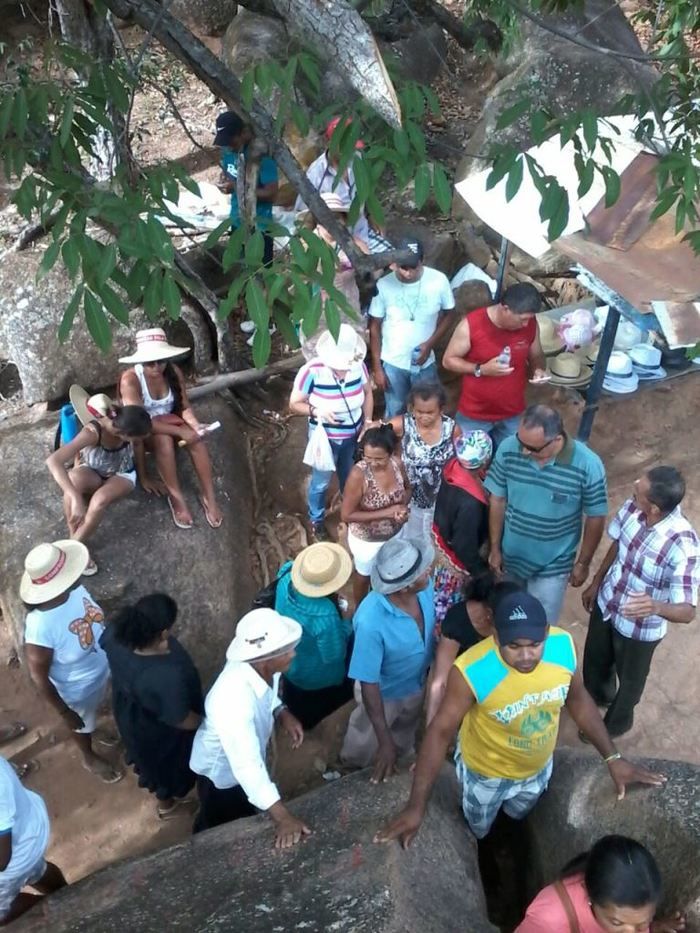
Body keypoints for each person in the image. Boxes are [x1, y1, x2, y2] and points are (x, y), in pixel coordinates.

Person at [376, 591, 666, 847]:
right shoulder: (471, 671)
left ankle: (508, 839)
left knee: (518, 814)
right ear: (496, 636)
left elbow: (578, 701)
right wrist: (416, 806)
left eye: (535, 644)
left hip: (537, 768)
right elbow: (439, 732)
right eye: (514, 646)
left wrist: (612, 758)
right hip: (485, 774)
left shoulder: (563, 646)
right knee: (479, 827)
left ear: (547, 632)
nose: (526, 656)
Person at [581, 466, 699, 738]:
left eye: (638, 493)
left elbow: (687, 612)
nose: (632, 491)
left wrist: (656, 607)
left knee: (631, 683)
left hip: (639, 629)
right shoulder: (634, 509)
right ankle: (599, 696)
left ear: (655, 508)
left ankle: (615, 724)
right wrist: (597, 582)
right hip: (608, 602)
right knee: (595, 659)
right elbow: (619, 544)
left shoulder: (684, 546)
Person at [190, 609, 311, 847]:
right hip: (223, 776)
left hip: (239, 765)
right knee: (220, 822)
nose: (293, 654)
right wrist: (284, 818)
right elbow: (247, 767)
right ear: (266, 658)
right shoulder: (232, 700)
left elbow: (268, 693)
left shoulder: (262, 667)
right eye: (286, 650)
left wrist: (281, 711)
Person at [486, 404, 608, 624]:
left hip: (553, 565)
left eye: (532, 448)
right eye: (520, 442)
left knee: (539, 626)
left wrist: (583, 563)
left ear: (557, 440)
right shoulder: (508, 448)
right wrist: (495, 548)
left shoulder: (588, 465)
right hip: (511, 558)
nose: (523, 451)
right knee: (507, 620)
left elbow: (596, 517)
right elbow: (498, 499)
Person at [21, 540, 123, 784]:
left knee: (90, 713)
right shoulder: (40, 627)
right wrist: (64, 711)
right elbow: (39, 676)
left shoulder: (74, 589)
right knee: (80, 722)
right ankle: (88, 756)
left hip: (100, 668)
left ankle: (91, 727)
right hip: (75, 689)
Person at [99, 594, 204, 820]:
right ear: (164, 632)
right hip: (159, 733)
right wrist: (205, 724)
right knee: (165, 769)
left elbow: (104, 644)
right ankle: (168, 806)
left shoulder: (116, 633)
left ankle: (166, 801)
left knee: (147, 762)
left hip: (130, 714)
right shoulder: (165, 676)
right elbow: (181, 718)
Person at [340, 538, 435, 783]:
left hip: (416, 684)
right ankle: (352, 768)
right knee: (366, 736)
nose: (429, 570)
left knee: (406, 729)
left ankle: (401, 754)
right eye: (421, 571)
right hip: (384, 694)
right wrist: (383, 741)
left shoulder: (425, 589)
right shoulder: (371, 621)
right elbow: (369, 682)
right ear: (404, 587)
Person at [119, 328, 223, 530]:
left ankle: (209, 496)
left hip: (171, 420)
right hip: (146, 428)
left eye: (161, 360)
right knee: (163, 441)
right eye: (150, 362)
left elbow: (184, 406)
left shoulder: (173, 372)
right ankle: (176, 498)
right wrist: (181, 432)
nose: (156, 367)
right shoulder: (130, 380)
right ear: (140, 362)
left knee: (197, 440)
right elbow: (139, 422)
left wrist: (194, 425)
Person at [45, 388, 151, 575]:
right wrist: (75, 497)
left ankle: (73, 546)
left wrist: (144, 477)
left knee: (99, 500)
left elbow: (139, 447)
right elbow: (53, 461)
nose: (139, 442)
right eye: (136, 439)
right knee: (73, 480)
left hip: (122, 474)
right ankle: (74, 535)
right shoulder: (93, 432)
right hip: (93, 470)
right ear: (123, 434)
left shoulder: (127, 420)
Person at [290, 324, 373, 541]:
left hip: (353, 434)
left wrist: (368, 421)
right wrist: (317, 411)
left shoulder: (358, 366)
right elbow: (294, 404)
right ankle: (316, 519)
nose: (343, 368)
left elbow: (368, 393)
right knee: (321, 481)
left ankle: (349, 509)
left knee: (349, 473)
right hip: (325, 437)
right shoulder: (311, 371)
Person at [442, 282, 548, 447]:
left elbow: (537, 354)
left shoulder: (531, 325)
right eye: (523, 319)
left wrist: (538, 369)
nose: (526, 324)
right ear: (505, 309)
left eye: (530, 319)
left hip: (513, 413)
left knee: (508, 461)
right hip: (475, 413)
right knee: (469, 463)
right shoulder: (472, 325)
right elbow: (448, 360)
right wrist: (481, 369)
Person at [516, 834, 686, 933]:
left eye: (641, 926)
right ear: (590, 896)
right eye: (617, 924)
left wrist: (654, 927)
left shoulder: (628, 913)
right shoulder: (548, 919)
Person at [369, 237, 455, 417]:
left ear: (422, 261)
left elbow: (449, 314)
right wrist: (377, 367)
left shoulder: (438, 281)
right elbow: (375, 326)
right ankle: (396, 445)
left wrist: (430, 344)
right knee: (395, 412)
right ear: (394, 264)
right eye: (403, 267)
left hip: (425, 362)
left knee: (428, 411)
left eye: (413, 267)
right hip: (393, 363)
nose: (408, 273)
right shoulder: (384, 284)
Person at [274, 543, 355, 730]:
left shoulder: (286, 576)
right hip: (315, 674)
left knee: (296, 699)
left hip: (290, 663)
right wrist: (347, 622)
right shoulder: (324, 615)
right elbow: (334, 655)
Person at [426, 571, 521, 723]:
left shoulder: (511, 619)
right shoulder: (457, 622)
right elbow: (440, 682)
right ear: (489, 615)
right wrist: (432, 726)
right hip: (461, 682)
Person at [341, 424, 411, 604]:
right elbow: (347, 515)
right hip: (367, 540)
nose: (372, 463)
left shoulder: (398, 464)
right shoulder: (359, 475)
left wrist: (402, 509)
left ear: (390, 453)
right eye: (367, 457)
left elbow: (408, 489)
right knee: (364, 575)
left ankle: (383, 603)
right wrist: (387, 513)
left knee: (389, 571)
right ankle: (360, 608)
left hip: (395, 533)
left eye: (379, 459)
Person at [382, 382, 460, 542]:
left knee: (437, 539)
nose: (424, 417)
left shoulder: (452, 430)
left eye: (430, 412)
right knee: (410, 537)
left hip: (441, 500)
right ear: (412, 408)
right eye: (419, 411)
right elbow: (377, 438)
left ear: (441, 409)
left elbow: (459, 463)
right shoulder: (401, 425)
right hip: (410, 499)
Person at [296, 191, 370, 361]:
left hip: (348, 307)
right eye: (326, 217)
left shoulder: (354, 243)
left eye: (337, 217)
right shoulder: (307, 244)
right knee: (319, 358)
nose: (332, 223)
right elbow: (299, 278)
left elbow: (373, 271)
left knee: (350, 356)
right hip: (318, 311)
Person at [432, 430, 493, 625]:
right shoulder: (471, 504)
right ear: (484, 462)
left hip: (441, 535)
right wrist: (481, 571)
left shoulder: (452, 466)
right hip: (456, 560)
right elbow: (463, 545)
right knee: (450, 609)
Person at [294, 116, 382, 246]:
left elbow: (367, 194)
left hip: (362, 233)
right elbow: (303, 215)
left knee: (395, 264)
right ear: (330, 143)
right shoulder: (316, 174)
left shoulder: (359, 160)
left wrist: (374, 218)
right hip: (333, 241)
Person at [0, 755, 67, 924]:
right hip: (25, 834)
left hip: (14, 856)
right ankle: (65, 895)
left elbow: (2, 859)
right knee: (37, 870)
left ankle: (51, 911)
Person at [214, 110, 279, 265]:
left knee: (260, 271)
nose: (229, 147)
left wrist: (238, 188)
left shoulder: (261, 157)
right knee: (241, 271)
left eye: (232, 142)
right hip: (237, 220)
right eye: (225, 143)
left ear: (243, 133)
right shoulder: (228, 151)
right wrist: (225, 180)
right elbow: (229, 170)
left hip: (260, 226)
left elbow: (271, 194)